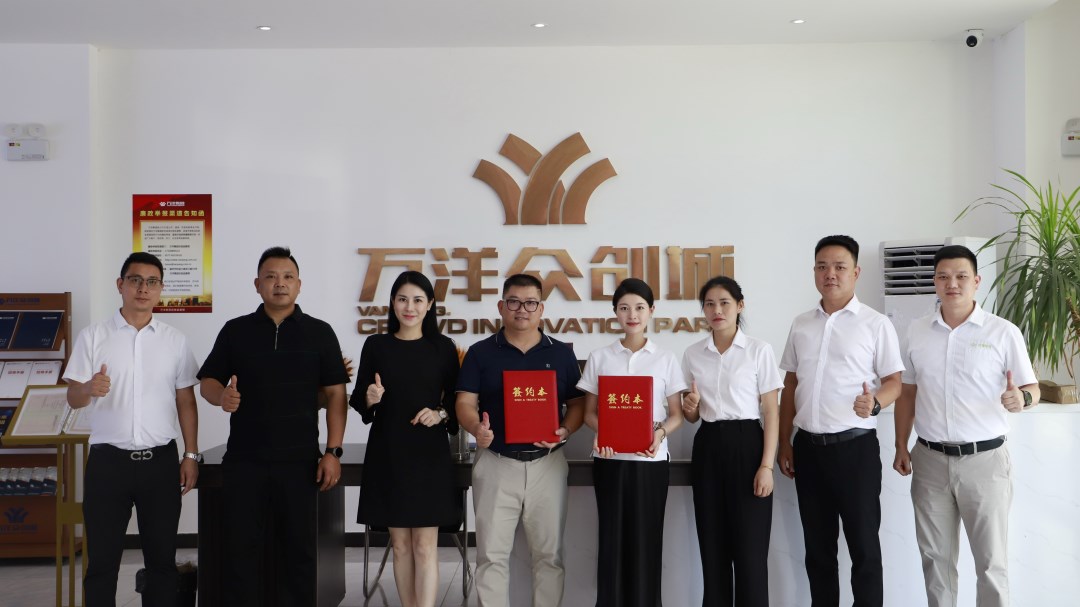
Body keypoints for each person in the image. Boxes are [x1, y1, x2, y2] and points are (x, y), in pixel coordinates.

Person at [198, 246, 349, 607]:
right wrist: (222, 397)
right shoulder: (236, 331)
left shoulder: (320, 333)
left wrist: (333, 452)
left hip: (300, 463)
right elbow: (208, 382)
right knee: (240, 551)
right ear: (257, 284)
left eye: (287, 277)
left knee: (299, 552)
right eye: (271, 276)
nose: (279, 283)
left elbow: (336, 395)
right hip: (245, 462)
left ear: (299, 285)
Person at [892, 245, 1039, 607]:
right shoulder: (916, 331)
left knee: (991, 564)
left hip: (985, 463)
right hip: (929, 460)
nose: (952, 284)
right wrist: (900, 445)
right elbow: (908, 393)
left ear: (976, 281)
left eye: (961, 276)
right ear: (934, 281)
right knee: (936, 563)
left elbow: (1031, 388)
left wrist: (1022, 398)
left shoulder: (1003, 332)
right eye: (943, 276)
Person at [63, 251, 200, 607]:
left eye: (152, 282)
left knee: (162, 562)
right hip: (108, 465)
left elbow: (186, 401)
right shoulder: (94, 336)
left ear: (161, 289)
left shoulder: (174, 341)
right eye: (135, 280)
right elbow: (73, 398)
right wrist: (87, 388)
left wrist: (190, 454)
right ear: (120, 285)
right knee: (102, 563)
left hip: (160, 463)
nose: (143, 288)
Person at [777, 235, 904, 607]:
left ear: (856, 272)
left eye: (839, 267)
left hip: (855, 450)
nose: (829, 274)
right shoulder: (801, 324)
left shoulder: (875, 324)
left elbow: (894, 382)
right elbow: (791, 384)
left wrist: (875, 403)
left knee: (864, 549)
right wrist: (785, 442)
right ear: (814, 271)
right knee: (817, 552)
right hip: (808, 449)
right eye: (822, 267)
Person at [455, 273, 585, 607]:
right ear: (501, 306)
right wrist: (476, 428)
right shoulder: (481, 353)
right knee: (490, 556)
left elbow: (577, 404)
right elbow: (465, 402)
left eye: (530, 303)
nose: (522, 310)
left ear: (541, 309)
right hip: (496, 463)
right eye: (514, 302)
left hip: (547, 465)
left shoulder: (561, 354)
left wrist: (565, 430)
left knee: (549, 556)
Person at [352, 271, 461, 607]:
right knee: (400, 546)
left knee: (425, 546)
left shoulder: (442, 348)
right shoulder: (376, 345)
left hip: (428, 456)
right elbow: (359, 398)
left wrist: (440, 414)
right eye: (402, 299)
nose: (409, 307)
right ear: (392, 303)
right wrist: (370, 397)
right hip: (388, 453)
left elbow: (457, 401)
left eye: (417, 300)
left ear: (429, 305)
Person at [579, 278, 686, 607]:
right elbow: (589, 414)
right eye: (624, 308)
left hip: (650, 463)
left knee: (646, 542)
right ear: (615, 313)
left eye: (639, 307)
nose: (632, 315)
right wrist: (606, 434)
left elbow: (677, 415)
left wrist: (659, 434)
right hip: (609, 461)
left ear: (651, 310)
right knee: (611, 541)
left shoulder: (665, 358)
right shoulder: (600, 357)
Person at [681, 276, 781, 607]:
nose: (717, 310)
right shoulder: (693, 354)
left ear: (740, 306)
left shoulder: (758, 350)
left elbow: (771, 411)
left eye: (724, 303)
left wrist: (767, 466)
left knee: (751, 555)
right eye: (709, 304)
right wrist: (690, 408)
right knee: (713, 551)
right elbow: (692, 416)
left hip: (749, 445)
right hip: (708, 446)